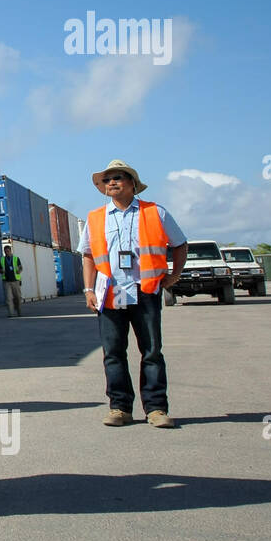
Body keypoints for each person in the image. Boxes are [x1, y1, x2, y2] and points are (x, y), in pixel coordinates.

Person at [79, 160, 187, 429]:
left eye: (117, 178)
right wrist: (89, 290)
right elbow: (88, 255)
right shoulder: (95, 218)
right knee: (113, 353)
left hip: (145, 291)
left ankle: (156, 409)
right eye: (107, 180)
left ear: (132, 184)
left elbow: (180, 244)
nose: (111, 183)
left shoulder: (155, 213)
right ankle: (119, 408)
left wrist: (174, 275)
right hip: (110, 293)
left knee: (151, 352)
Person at [0, 244, 23, 318]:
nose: (7, 253)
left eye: (8, 251)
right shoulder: (1, 260)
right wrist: (1, 271)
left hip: (15, 281)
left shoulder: (16, 258)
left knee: (18, 297)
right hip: (6, 281)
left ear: (10, 251)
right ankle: (11, 313)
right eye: (5, 252)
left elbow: (21, 267)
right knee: (9, 298)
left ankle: (19, 311)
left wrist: (19, 270)